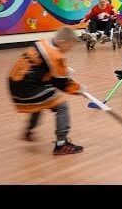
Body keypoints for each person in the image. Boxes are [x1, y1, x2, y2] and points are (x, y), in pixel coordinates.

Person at [8, 27, 84, 155]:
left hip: (14, 82)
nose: (70, 50)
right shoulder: (55, 55)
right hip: (26, 88)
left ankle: (29, 131)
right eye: (70, 46)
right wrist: (79, 90)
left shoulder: (43, 42)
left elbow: (46, 71)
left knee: (43, 100)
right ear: (63, 42)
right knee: (61, 105)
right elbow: (62, 83)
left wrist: (63, 73)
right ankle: (61, 145)